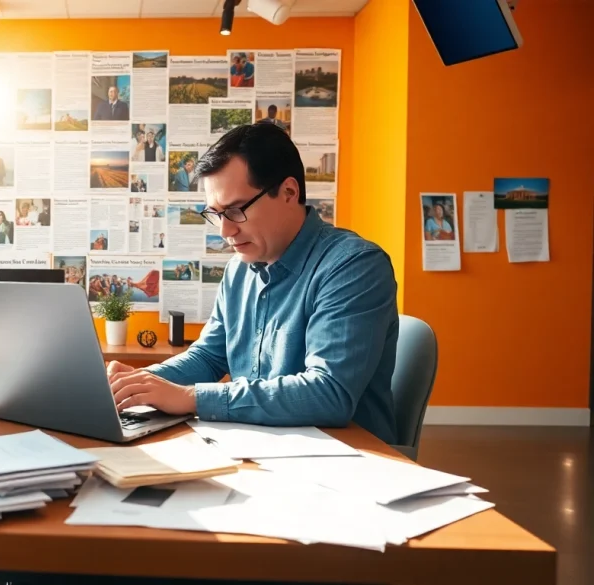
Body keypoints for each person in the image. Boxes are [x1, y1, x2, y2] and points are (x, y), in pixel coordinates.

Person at [106, 122, 399, 445]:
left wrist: (192, 397)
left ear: (289, 192)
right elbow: (208, 357)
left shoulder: (353, 266)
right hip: (257, 445)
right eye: (216, 214)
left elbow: (329, 393)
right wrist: (139, 384)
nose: (224, 231)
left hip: (347, 462)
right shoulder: (239, 269)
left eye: (235, 210)